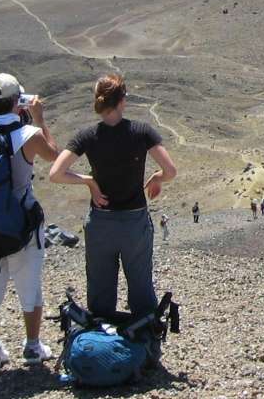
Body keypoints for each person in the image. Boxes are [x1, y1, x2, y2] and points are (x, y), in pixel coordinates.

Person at [49, 73, 177, 321]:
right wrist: (157, 178)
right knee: (140, 283)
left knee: (100, 286)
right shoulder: (141, 131)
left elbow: (56, 174)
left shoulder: (87, 136)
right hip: (134, 223)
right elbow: (170, 171)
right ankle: (143, 337)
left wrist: (88, 181)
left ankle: (100, 342)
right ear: (122, 101)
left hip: (100, 222)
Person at [0, 73, 60, 372]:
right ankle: (33, 347)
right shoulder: (28, 135)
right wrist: (39, 119)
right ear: (16, 102)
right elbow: (55, 156)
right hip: (22, 222)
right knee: (29, 286)